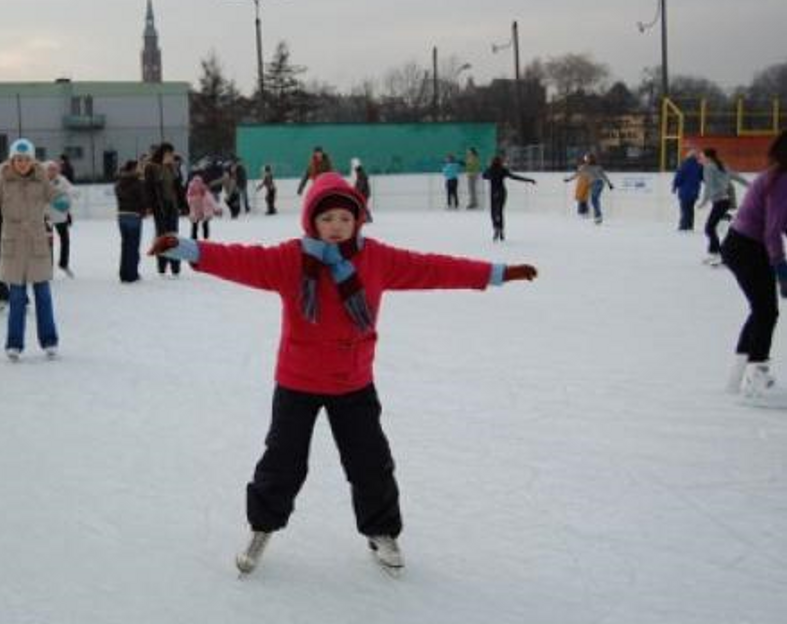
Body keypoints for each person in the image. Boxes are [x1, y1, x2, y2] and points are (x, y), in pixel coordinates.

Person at [146, 172, 537, 574]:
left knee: (370, 462)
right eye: (327, 218)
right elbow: (241, 259)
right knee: (282, 461)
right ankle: (262, 526)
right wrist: (187, 248)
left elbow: (434, 268)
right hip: (298, 381)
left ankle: (381, 532)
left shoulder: (377, 259)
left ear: (358, 221)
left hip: (352, 382)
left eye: (344, 219)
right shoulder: (292, 259)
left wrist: (498, 272)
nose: (336, 227)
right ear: (312, 220)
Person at [0, 138, 68, 360]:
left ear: (32, 160)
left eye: (26, 159)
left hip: (36, 242)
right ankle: (14, 343)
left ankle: (49, 340)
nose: (23, 163)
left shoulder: (41, 178)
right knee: (16, 298)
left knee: (43, 295)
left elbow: (55, 195)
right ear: (12, 159)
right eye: (19, 159)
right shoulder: (3, 180)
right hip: (13, 243)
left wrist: (62, 200)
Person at [720, 131, 787, 406]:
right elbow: (772, 230)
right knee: (766, 311)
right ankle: (757, 377)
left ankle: (737, 378)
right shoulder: (782, 179)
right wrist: (782, 270)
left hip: (744, 244)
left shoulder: (778, 175)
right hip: (746, 246)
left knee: (760, 310)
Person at [698, 148, 749, 266]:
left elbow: (709, 186)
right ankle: (717, 253)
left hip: (721, 201)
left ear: (708, 157)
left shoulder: (708, 167)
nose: (700, 158)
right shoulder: (720, 165)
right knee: (711, 227)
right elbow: (736, 177)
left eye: (702, 156)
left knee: (710, 228)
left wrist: (705, 200)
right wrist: (751, 185)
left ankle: (719, 254)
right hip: (724, 201)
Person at [145, 143, 182, 277]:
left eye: (172, 154)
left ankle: (175, 267)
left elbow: (178, 187)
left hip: (172, 205)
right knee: (162, 236)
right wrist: (149, 206)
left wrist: (183, 205)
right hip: (159, 207)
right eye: (169, 154)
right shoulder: (151, 168)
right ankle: (162, 266)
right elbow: (148, 189)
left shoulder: (172, 168)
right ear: (162, 154)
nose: (172, 157)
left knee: (173, 236)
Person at [483, 156, 536, 241]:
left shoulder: (491, 170)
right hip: (502, 192)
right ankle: (500, 229)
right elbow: (515, 177)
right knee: (499, 211)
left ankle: (496, 228)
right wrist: (529, 180)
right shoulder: (503, 169)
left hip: (494, 193)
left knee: (494, 212)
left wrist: (487, 167)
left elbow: (484, 176)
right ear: (500, 162)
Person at [115, 159, 149, 283]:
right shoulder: (138, 182)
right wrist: (144, 211)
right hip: (134, 215)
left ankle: (123, 273)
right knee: (133, 246)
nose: (140, 169)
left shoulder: (119, 182)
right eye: (138, 167)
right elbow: (143, 199)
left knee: (125, 245)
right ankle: (132, 274)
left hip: (121, 215)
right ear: (134, 169)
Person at [45, 160, 77, 278]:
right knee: (48, 244)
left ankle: (63, 264)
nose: (52, 171)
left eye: (55, 169)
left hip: (60, 216)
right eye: (50, 169)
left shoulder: (62, 180)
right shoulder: (42, 181)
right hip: (46, 217)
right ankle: (48, 268)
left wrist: (67, 198)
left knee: (65, 240)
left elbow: (72, 191)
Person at [564, 154, 614, 224]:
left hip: (597, 183)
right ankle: (598, 216)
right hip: (595, 184)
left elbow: (603, 176)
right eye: (586, 159)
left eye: (587, 158)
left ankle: (598, 216)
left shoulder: (594, 167)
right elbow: (577, 174)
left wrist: (609, 184)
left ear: (591, 159)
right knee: (594, 200)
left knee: (594, 199)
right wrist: (568, 179)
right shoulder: (585, 167)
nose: (586, 160)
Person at [673, 149, 704, 231]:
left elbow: (679, 177)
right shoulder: (699, 166)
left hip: (685, 191)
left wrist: (675, 186)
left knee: (684, 209)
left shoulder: (684, 165)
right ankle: (690, 225)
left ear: (688, 156)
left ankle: (684, 226)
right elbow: (702, 178)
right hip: (694, 191)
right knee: (690, 209)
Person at [186, 175, 221, 240]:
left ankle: (196, 238)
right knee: (202, 225)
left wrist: (217, 209)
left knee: (196, 225)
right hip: (200, 211)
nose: (197, 186)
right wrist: (217, 209)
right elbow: (212, 200)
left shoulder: (193, 192)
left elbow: (188, 201)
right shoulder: (200, 191)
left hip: (200, 211)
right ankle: (203, 237)